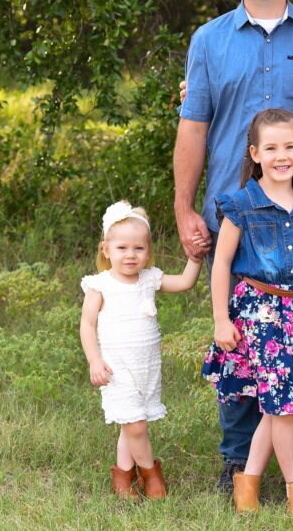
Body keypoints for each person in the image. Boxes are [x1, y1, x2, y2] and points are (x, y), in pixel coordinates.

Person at [173, 0, 293, 502]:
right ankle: (238, 462)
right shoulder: (209, 40)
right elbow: (194, 127)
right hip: (233, 215)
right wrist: (186, 209)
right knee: (238, 341)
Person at [201, 108, 293, 518]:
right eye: (272, 148)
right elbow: (221, 263)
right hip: (257, 312)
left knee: (278, 406)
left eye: (290, 147)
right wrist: (222, 319)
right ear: (255, 153)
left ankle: (248, 485)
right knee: (284, 408)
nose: (282, 155)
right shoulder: (242, 204)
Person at [80, 200, 204, 500]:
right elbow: (86, 325)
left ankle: (123, 479)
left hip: (146, 366)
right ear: (106, 250)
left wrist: (196, 257)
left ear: (148, 251)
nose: (130, 255)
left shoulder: (149, 279)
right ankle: (151, 475)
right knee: (135, 425)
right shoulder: (101, 285)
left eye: (138, 248)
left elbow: (186, 282)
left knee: (132, 422)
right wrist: (94, 361)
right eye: (122, 248)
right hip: (116, 367)